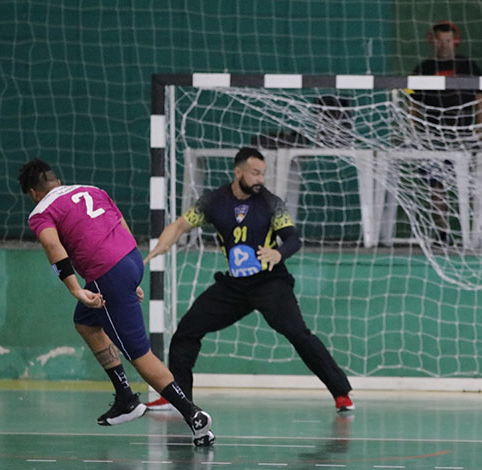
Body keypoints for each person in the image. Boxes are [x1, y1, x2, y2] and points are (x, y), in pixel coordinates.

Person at [18, 158, 214, 446]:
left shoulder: (41, 211)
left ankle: (193, 415)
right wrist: (128, 277)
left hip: (108, 274)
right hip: (130, 258)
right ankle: (125, 397)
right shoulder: (91, 189)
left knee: (140, 354)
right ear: (56, 181)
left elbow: (51, 244)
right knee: (85, 322)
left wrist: (75, 288)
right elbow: (119, 222)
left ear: (34, 193)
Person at [143, 147, 355, 412]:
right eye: (255, 173)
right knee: (186, 331)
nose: (260, 179)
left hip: (270, 282)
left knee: (298, 334)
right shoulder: (213, 202)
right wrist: (161, 246)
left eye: (263, 174)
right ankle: (178, 397)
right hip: (234, 286)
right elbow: (179, 226)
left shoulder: (271, 203)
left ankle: (341, 394)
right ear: (238, 172)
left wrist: (278, 254)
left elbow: (293, 238)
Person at [410, 21, 482, 242]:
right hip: (434, 135)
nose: (444, 45)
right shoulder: (423, 69)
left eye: (448, 41)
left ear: (456, 41)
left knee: (475, 183)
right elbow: (414, 106)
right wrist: (414, 132)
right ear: (431, 41)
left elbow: (480, 101)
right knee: (437, 184)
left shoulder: (468, 67)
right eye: (440, 41)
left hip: (464, 135)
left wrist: (480, 129)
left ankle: (480, 234)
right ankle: (442, 233)